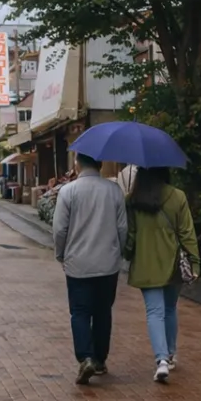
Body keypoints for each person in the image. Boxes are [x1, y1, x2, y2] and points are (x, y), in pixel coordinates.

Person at [52, 154, 127, 386]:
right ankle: (100, 360)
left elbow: (60, 229)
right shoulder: (114, 191)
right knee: (103, 311)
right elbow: (123, 227)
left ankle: (85, 357)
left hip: (78, 263)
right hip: (108, 263)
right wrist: (119, 251)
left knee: (80, 312)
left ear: (76, 163)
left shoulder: (68, 191)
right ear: (101, 164)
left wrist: (60, 253)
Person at [124, 167, 199, 384]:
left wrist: (127, 253)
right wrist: (195, 262)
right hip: (173, 263)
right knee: (169, 308)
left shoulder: (133, 199)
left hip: (146, 263)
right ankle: (172, 353)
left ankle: (161, 360)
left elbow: (130, 235)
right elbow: (187, 232)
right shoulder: (177, 196)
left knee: (154, 312)